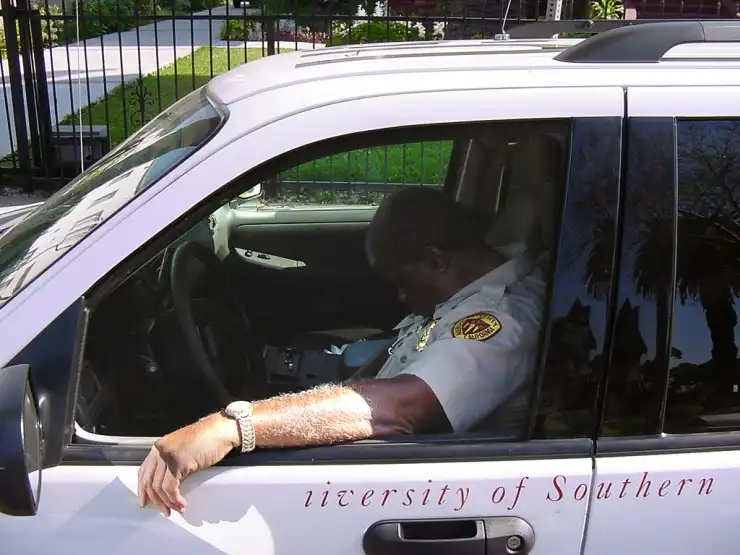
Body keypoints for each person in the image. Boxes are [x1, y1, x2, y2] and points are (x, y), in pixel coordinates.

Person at [137, 186, 547, 516]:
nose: (401, 298)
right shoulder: (474, 283)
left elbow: (399, 407)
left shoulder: (501, 323)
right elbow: (397, 355)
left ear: (436, 260)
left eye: (402, 283)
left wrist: (233, 426)